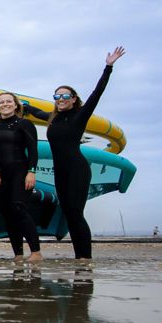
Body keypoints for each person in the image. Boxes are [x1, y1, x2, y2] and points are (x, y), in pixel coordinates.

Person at [24, 47, 125, 260]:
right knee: (69, 213)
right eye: (57, 96)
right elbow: (35, 112)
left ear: (73, 99)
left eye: (65, 96)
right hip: (61, 172)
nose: (61, 99)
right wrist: (23, 106)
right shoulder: (53, 117)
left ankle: (85, 257)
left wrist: (108, 67)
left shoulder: (80, 115)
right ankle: (79, 256)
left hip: (78, 169)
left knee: (76, 213)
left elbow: (97, 94)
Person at [0, 92, 43, 262]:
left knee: (19, 208)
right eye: (1, 102)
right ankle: (18, 254)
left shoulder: (25, 124)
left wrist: (31, 171)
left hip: (20, 171)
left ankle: (36, 252)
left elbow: (33, 150)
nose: (5, 104)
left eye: (8, 101)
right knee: (7, 213)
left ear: (16, 105)